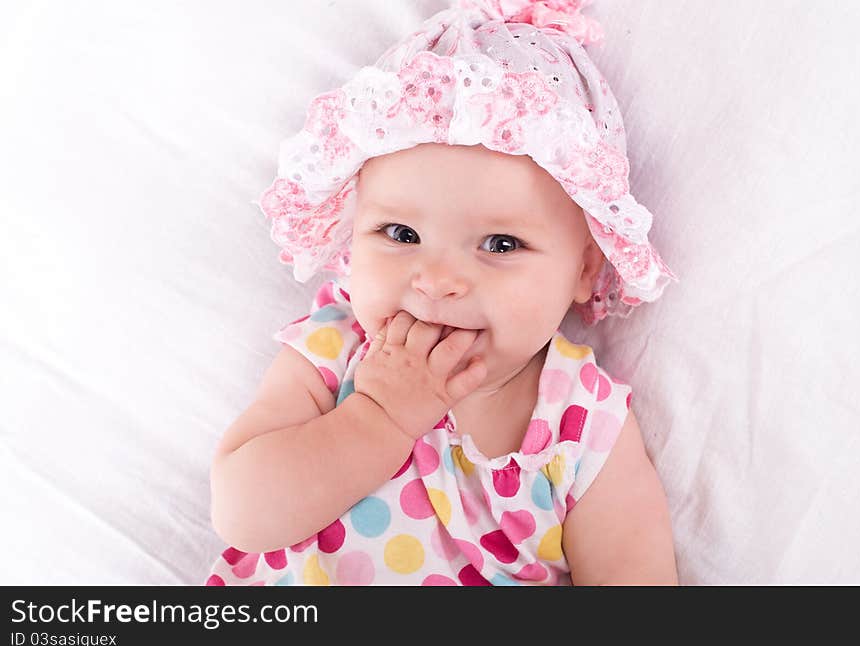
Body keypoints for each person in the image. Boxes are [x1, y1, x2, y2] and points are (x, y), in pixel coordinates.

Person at [207, 0, 679, 586]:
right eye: (401, 234)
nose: (436, 281)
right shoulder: (334, 352)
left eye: (501, 245)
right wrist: (378, 418)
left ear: (586, 268)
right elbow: (242, 515)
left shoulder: (579, 423)